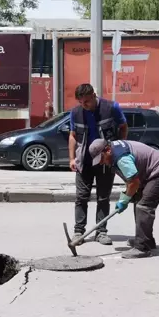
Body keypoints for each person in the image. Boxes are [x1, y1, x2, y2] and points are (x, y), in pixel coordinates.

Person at [89, 138, 159, 259]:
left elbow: (134, 182)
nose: (101, 163)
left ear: (108, 150)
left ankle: (142, 247)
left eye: (101, 158)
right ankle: (145, 240)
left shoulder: (121, 158)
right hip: (151, 172)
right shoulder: (115, 152)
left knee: (143, 206)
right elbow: (130, 180)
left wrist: (124, 200)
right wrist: (125, 196)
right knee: (138, 200)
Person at [68, 83, 128, 246]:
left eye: (86, 101)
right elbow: (73, 136)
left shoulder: (111, 107)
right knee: (81, 197)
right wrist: (72, 158)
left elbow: (123, 127)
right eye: (80, 102)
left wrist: (118, 149)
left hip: (105, 160)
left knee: (103, 197)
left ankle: (101, 232)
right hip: (85, 161)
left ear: (94, 96)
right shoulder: (75, 112)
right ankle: (78, 232)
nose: (84, 105)